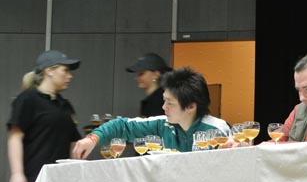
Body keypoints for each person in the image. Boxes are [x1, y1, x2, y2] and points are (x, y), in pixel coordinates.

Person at [6, 49, 82, 182]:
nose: (70, 76)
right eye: (65, 70)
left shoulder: (64, 105)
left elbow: (74, 143)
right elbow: (15, 137)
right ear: (49, 71)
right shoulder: (27, 99)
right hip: (34, 179)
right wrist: (17, 174)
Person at [72, 67, 230, 158]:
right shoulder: (162, 124)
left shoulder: (217, 130)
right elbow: (121, 126)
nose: (164, 107)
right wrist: (92, 138)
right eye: (164, 100)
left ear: (190, 107)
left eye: (170, 103)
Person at [126, 53, 172, 117]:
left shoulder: (160, 101)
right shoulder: (157, 98)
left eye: (141, 74)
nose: (136, 78)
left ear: (155, 75)